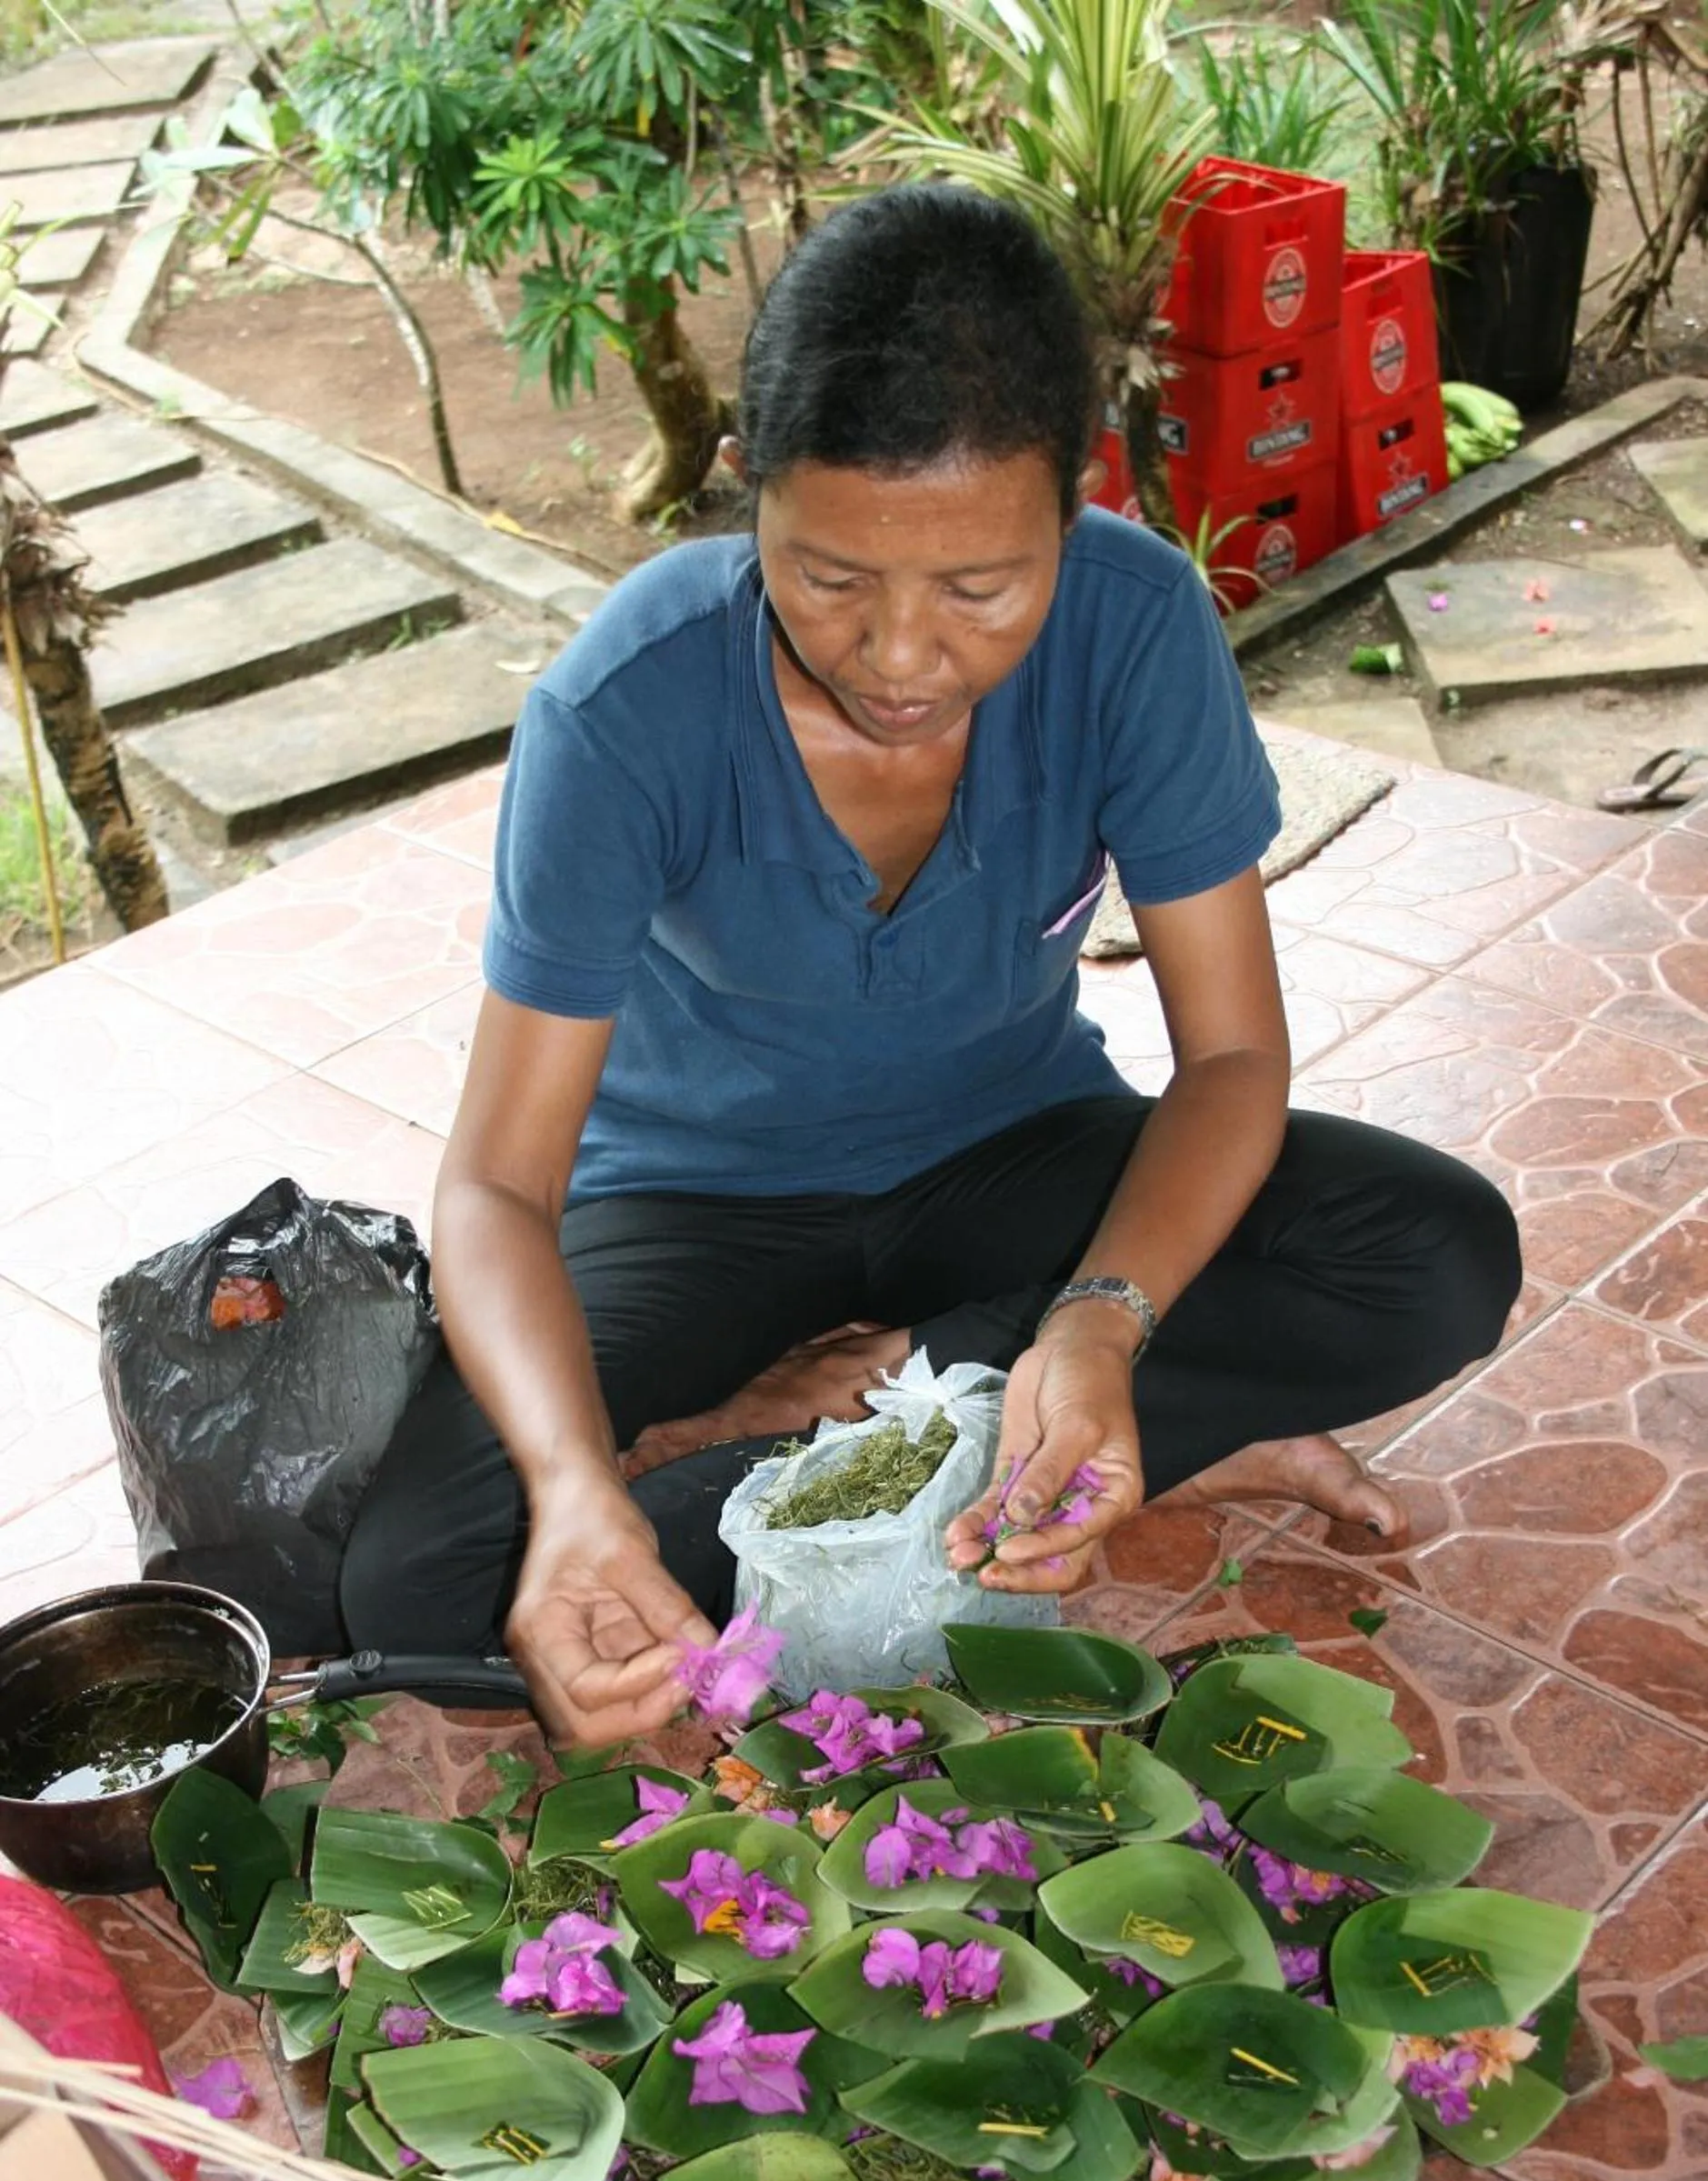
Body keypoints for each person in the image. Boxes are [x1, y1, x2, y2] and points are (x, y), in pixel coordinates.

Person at [341, 185, 1521, 1746]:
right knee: (429, 1586)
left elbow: (1231, 1059)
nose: (901, 658)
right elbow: (495, 1188)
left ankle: (951, 1395)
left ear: (1072, 502)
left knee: (1435, 1254)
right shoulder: (625, 707)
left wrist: (1097, 1321)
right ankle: (1015, 1429)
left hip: (1013, 1157)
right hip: (697, 1206)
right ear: (749, 490)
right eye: (829, 576)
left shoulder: (1136, 627)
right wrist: (568, 1495)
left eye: (979, 589)